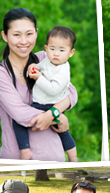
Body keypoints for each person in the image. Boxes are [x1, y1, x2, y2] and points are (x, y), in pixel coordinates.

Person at [0, 8, 78, 161]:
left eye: (29, 34)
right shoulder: (0, 73)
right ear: (5, 36)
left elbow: (71, 93)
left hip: (54, 159)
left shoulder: (46, 57)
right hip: (16, 162)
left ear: (36, 33)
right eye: (16, 35)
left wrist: (53, 113)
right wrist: (58, 117)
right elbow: (21, 114)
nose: (24, 41)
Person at [14, 26, 79, 162]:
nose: (56, 54)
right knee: (60, 129)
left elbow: (53, 89)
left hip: (49, 104)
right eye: (52, 49)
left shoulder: (63, 70)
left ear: (71, 52)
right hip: (41, 103)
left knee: (62, 131)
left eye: (61, 50)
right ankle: (26, 151)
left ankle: (73, 157)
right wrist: (33, 67)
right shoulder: (48, 60)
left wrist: (38, 78)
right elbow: (41, 66)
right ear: (46, 48)